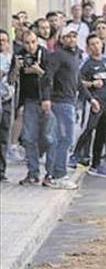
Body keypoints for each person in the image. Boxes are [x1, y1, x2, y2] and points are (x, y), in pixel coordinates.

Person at [45, 26, 99, 190]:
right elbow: (47, 78)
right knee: (65, 139)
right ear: (61, 39)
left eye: (74, 36)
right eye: (67, 37)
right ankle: (59, 175)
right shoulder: (58, 56)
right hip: (60, 102)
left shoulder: (74, 56)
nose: (71, 39)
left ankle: (53, 174)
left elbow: (77, 82)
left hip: (69, 101)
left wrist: (91, 99)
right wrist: (46, 98)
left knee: (63, 139)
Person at [73, 34, 106, 178]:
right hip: (93, 101)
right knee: (89, 129)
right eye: (92, 44)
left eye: (98, 43)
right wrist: (92, 84)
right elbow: (78, 82)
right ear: (88, 48)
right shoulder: (87, 64)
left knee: (102, 132)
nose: (96, 47)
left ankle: (96, 164)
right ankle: (75, 155)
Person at [13, 30, 54, 185]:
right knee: (29, 138)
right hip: (29, 101)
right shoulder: (19, 55)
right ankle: (33, 172)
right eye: (27, 43)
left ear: (37, 41)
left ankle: (50, 174)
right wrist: (17, 68)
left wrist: (39, 71)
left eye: (33, 42)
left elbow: (51, 78)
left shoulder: (46, 55)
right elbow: (11, 80)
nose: (30, 46)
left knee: (48, 138)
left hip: (46, 100)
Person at [0, 30, 12, 182]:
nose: (1, 43)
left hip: (6, 99)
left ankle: (1, 171)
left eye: (4, 40)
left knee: (3, 136)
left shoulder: (11, 59)